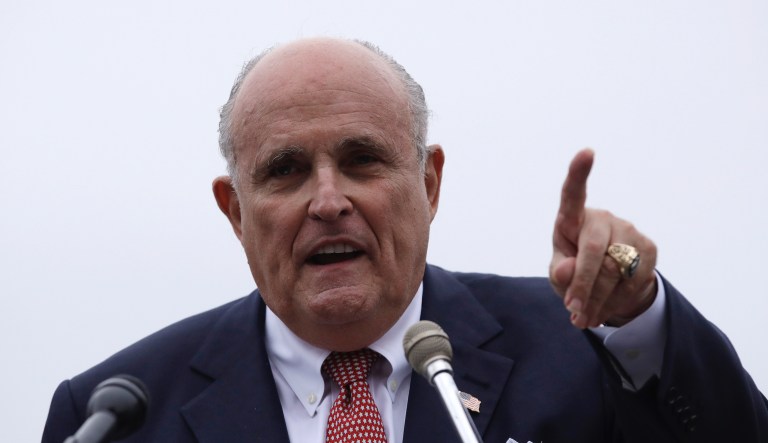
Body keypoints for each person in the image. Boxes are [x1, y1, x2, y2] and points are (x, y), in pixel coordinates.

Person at [42, 37, 767, 443]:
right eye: (287, 171)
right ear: (236, 210)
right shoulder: (111, 417)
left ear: (429, 184)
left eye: (362, 160)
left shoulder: (577, 348)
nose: (329, 201)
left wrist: (639, 315)